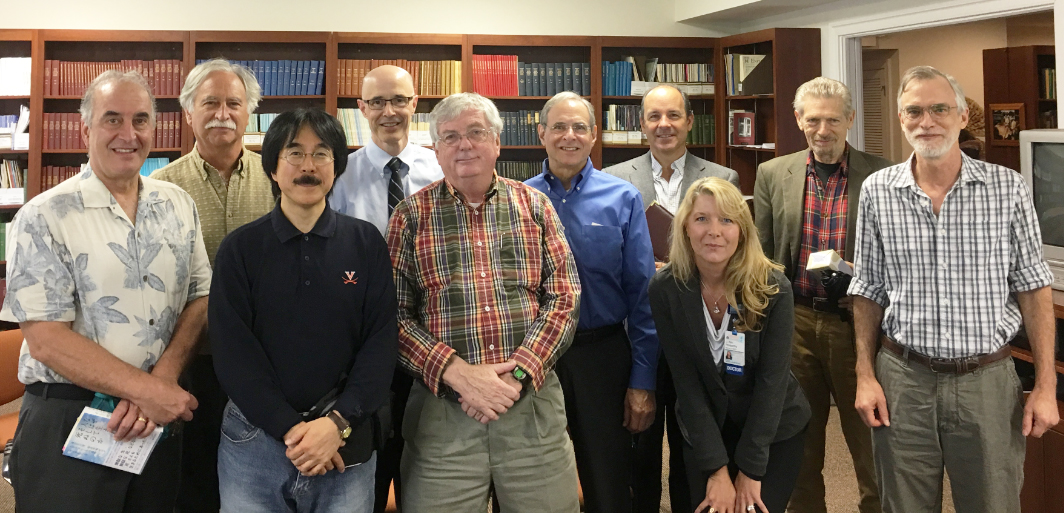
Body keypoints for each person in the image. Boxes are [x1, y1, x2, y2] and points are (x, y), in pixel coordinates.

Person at [850, 65, 1060, 513]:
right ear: (901, 119)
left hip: (986, 382)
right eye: (914, 111)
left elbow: (1034, 288)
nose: (926, 122)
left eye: (940, 109)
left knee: (992, 504)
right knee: (903, 505)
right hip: (903, 380)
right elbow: (867, 289)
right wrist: (865, 375)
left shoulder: (1007, 188)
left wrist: (1046, 384)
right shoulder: (877, 191)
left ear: (963, 116)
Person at [0, 70, 211, 513]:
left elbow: (201, 298)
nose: (128, 134)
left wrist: (162, 382)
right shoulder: (43, 217)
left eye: (140, 120)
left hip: (155, 422)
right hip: (69, 421)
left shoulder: (178, 204)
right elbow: (46, 339)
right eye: (112, 119)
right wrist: (147, 390)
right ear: (85, 130)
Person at [387, 92, 582, 513]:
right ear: (436, 149)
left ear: (497, 141)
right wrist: (458, 374)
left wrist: (516, 375)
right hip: (442, 415)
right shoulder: (409, 216)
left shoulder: (535, 206)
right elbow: (394, 317)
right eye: (450, 136)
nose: (464, 145)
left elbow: (564, 298)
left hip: (531, 407)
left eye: (476, 132)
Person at [209, 108, 397, 513]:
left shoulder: (366, 244)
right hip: (254, 443)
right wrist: (293, 430)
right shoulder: (240, 249)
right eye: (294, 153)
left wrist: (335, 425)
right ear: (273, 168)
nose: (308, 166)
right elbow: (232, 352)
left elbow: (381, 344)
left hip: (343, 439)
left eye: (321, 154)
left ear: (337, 167)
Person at [752, 77, 889, 513]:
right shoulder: (773, 173)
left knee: (870, 442)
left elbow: (898, 257)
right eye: (813, 120)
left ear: (850, 119)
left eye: (832, 120)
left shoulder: (883, 175)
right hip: (796, 324)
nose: (823, 130)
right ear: (798, 120)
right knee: (798, 443)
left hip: (858, 326)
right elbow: (763, 255)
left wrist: (867, 289)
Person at [604, 82, 739, 513]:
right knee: (638, 446)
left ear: (690, 122)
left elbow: (732, 252)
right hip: (638, 332)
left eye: (674, 115)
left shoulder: (723, 178)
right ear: (642, 124)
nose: (664, 125)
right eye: (654, 116)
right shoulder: (614, 179)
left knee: (694, 446)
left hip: (697, 332)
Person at [151, 58, 274, 513]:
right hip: (190, 360)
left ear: (249, 113)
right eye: (210, 103)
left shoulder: (279, 179)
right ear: (188, 112)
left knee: (259, 480)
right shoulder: (160, 187)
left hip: (265, 360)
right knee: (193, 481)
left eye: (234, 104)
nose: (222, 113)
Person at [525, 91, 657, 513]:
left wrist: (642, 380)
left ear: (594, 135)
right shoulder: (519, 199)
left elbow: (642, 295)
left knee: (608, 480)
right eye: (559, 127)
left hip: (601, 356)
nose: (569, 136)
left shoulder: (623, 198)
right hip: (535, 357)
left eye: (579, 127)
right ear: (541, 133)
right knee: (530, 480)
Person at [649, 177, 810, 513]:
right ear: (685, 227)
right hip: (705, 426)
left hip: (771, 429)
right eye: (701, 218)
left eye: (726, 220)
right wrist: (716, 470)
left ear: (742, 230)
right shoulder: (666, 289)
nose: (714, 231)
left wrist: (750, 470)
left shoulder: (773, 287)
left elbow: (772, 382)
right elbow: (686, 383)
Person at [328, 65, 443, 513]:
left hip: (432, 337)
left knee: (426, 462)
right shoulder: (340, 174)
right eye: (377, 102)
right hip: (363, 341)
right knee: (370, 461)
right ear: (361, 109)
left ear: (415, 104)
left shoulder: (442, 168)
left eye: (398, 100)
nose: (389, 111)